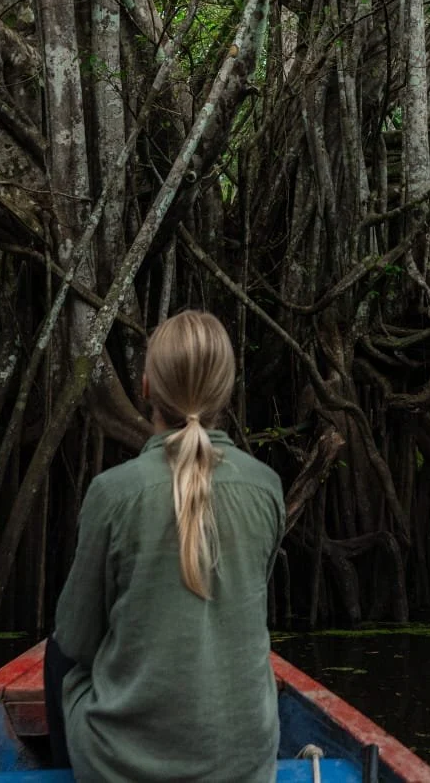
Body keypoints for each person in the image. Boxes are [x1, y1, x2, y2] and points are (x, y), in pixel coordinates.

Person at [44, 310, 285, 783]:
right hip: (247, 765)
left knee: (58, 657)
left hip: (123, 767)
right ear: (225, 392)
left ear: (147, 386)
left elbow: (75, 640)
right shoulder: (267, 486)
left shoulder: (113, 492)